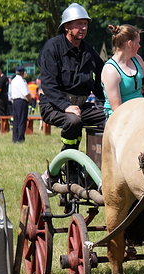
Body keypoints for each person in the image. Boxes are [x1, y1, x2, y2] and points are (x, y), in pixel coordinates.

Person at [37, 2, 106, 158]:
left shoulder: (89, 51)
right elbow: (48, 85)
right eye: (79, 23)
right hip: (53, 105)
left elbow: (100, 80)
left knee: (111, 116)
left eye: (85, 23)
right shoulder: (52, 48)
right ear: (67, 26)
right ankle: (69, 158)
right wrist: (66, 106)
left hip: (80, 105)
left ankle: (103, 161)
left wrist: (109, 103)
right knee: (73, 121)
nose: (83, 27)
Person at [101, 24, 144, 117]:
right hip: (121, 117)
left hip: (141, 111)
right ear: (130, 44)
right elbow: (117, 109)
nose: (139, 46)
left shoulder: (138, 59)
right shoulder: (110, 70)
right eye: (138, 42)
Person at [10, 66, 32, 143]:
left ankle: (15, 138)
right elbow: (26, 93)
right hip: (22, 101)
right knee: (22, 120)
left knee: (16, 121)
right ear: (23, 73)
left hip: (15, 101)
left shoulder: (13, 80)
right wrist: (30, 99)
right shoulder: (22, 81)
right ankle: (20, 138)